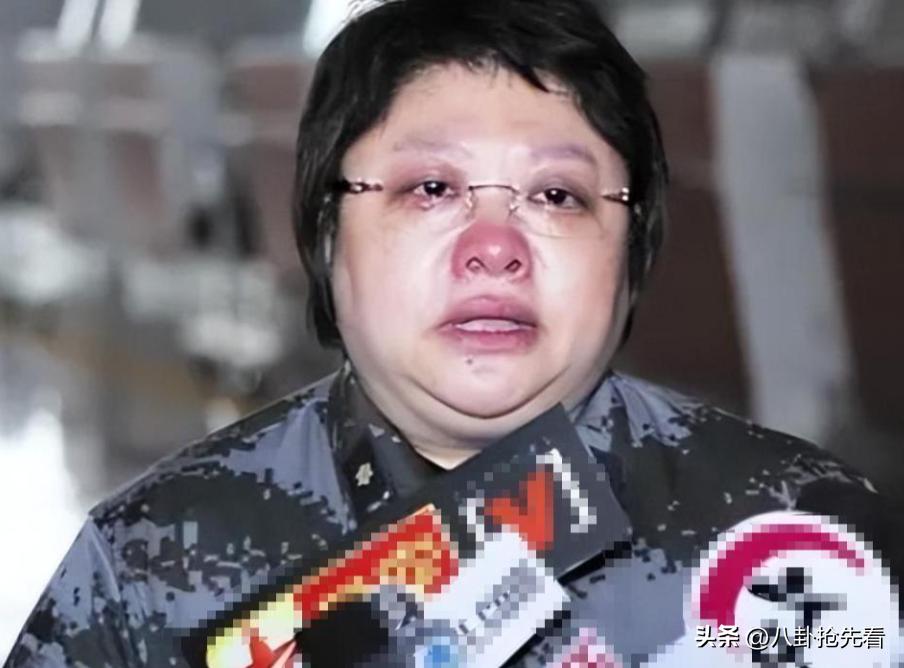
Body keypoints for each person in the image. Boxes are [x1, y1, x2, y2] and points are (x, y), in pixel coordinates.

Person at [7, 0, 898, 666]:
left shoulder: (804, 530)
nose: (494, 247)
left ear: (633, 250)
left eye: (557, 195)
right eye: (430, 189)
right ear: (325, 232)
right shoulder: (140, 572)